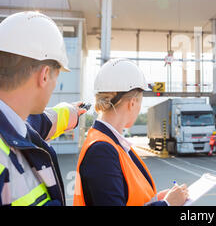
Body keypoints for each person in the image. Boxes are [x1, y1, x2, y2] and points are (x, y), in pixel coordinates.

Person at [73, 58, 188, 206]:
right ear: (132, 103)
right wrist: (167, 205)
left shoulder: (113, 144)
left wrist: (158, 200)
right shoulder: (102, 151)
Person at [0, 11, 86, 206]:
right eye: (57, 76)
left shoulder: (14, 125)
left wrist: (70, 113)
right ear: (45, 75)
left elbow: (38, 123)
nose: (55, 84)